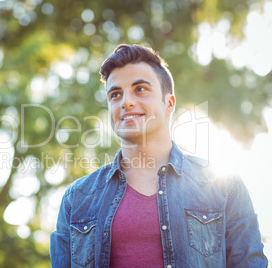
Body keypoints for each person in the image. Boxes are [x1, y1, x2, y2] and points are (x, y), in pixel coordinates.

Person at [50, 44, 268, 267]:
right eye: (115, 94)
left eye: (141, 89)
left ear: (169, 103)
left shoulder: (225, 187)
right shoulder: (76, 199)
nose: (126, 101)